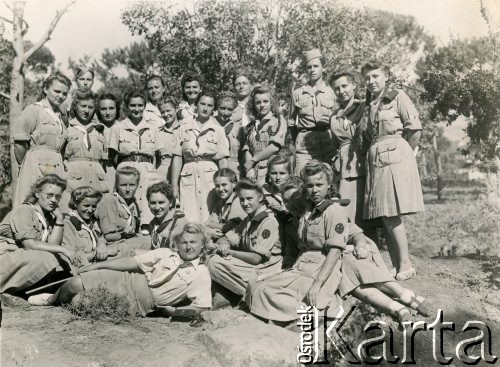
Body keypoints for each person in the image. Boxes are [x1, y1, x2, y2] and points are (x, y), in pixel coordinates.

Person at [247, 161, 432, 324]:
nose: (314, 190)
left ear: (327, 186)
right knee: (353, 284)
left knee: (353, 266)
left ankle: (406, 297)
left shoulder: (332, 210)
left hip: (336, 258)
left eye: (319, 185)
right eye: (310, 186)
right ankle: (398, 307)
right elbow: (294, 252)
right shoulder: (302, 217)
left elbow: (351, 234)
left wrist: (359, 245)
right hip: (315, 265)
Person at [28, 223, 213, 318]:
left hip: (139, 302)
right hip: (128, 279)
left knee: (79, 303)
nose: (188, 247)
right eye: (184, 242)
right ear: (178, 243)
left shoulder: (201, 273)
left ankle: (64, 301)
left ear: (203, 245)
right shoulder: (165, 253)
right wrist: (97, 265)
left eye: (194, 242)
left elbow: (201, 307)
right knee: (74, 284)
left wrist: (173, 312)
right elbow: (131, 262)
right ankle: (51, 300)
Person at [361, 60, 425, 280]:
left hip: (394, 158)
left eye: (375, 76)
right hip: (377, 161)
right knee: (384, 214)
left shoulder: (398, 97)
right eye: (367, 78)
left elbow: (414, 128)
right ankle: (397, 264)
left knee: (391, 213)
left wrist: (406, 153)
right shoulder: (370, 105)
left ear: (386, 76)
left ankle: (406, 262)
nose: (371, 81)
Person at [0, 175, 72, 306]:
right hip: (4, 259)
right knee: (48, 257)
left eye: (58, 197)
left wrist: (59, 221)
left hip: (18, 260)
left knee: (56, 259)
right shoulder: (25, 210)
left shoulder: (49, 217)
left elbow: (51, 247)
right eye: (49, 195)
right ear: (37, 193)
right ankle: (7, 292)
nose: (54, 200)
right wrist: (63, 249)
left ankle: (24, 291)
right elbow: (30, 244)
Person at [206, 178, 282, 300]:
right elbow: (226, 237)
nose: (245, 203)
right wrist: (224, 244)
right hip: (254, 268)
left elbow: (256, 258)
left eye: (249, 199)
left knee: (214, 263)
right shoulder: (248, 220)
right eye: (242, 199)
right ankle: (235, 295)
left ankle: (253, 295)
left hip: (267, 269)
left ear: (261, 197)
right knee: (212, 258)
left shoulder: (268, 221)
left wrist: (229, 252)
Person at [12, 72, 71, 208]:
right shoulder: (34, 110)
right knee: (33, 205)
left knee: (55, 210)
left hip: (56, 168)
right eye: (57, 91)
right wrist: (27, 165)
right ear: (45, 89)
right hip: (35, 168)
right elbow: (19, 143)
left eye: (64, 93)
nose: (60, 96)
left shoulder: (61, 117)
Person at [107, 88, 164, 227]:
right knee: (127, 202)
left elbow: (158, 157)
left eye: (140, 105)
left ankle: (147, 231)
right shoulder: (118, 128)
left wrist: (149, 169)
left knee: (147, 203)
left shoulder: (153, 128)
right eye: (133, 105)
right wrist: (124, 168)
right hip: (126, 170)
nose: (136, 109)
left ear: (144, 106)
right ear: (126, 106)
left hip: (148, 171)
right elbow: (112, 157)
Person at [171, 90, 229, 223]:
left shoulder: (218, 130)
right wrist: (174, 185)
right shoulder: (184, 127)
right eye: (202, 104)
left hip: (209, 174)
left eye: (210, 105)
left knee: (209, 214)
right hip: (188, 174)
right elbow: (177, 157)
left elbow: (222, 159)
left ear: (214, 109)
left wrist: (224, 183)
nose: (205, 108)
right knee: (188, 214)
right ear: (196, 105)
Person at [329, 71, 371, 232]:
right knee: (346, 208)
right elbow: (335, 143)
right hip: (343, 167)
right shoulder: (334, 117)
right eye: (337, 88)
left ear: (353, 85)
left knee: (363, 210)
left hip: (362, 161)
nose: (341, 91)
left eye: (344, 85)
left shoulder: (364, 107)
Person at [62, 187, 134, 271]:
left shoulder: (93, 221)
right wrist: (95, 254)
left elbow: (101, 237)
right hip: (82, 268)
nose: (90, 210)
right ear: (75, 204)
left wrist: (101, 244)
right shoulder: (68, 223)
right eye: (86, 206)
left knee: (125, 249)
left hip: (97, 263)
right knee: (125, 253)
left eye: (94, 206)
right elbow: (70, 258)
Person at [59, 90, 108, 212]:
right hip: (74, 182)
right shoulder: (66, 128)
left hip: (96, 181)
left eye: (91, 107)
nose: (87, 110)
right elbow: (59, 154)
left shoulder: (99, 130)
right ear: (75, 107)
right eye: (83, 106)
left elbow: (103, 160)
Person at [291, 49, 336, 174]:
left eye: (316, 66)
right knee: (301, 178)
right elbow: (291, 122)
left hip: (328, 143)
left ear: (323, 68)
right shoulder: (298, 93)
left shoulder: (332, 92)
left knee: (329, 178)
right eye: (309, 67)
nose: (312, 70)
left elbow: (338, 119)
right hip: (305, 145)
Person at [96, 166, 151, 250]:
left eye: (132, 185)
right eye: (123, 185)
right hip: (113, 246)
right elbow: (108, 236)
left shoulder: (134, 204)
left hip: (128, 244)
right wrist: (124, 234)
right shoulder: (109, 200)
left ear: (137, 185)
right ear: (117, 185)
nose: (128, 189)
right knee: (148, 241)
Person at [242, 85, 287, 185]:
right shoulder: (251, 125)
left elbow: (274, 147)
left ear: (272, 103)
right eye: (258, 102)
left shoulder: (278, 120)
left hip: (271, 172)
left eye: (265, 101)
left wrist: (252, 161)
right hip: (253, 173)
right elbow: (247, 149)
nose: (262, 105)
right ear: (253, 105)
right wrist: (249, 169)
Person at [206, 168, 246, 240]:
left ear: (234, 184)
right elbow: (212, 220)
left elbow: (229, 227)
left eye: (224, 185)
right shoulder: (220, 202)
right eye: (217, 186)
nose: (221, 189)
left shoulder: (238, 200)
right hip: (226, 237)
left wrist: (209, 224)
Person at [147, 182, 187, 250]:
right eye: (153, 203)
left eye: (161, 202)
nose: (157, 207)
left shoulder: (178, 222)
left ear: (171, 203)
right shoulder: (153, 223)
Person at [215, 91, 244, 178]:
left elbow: (242, 155)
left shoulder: (239, 128)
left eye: (230, 109)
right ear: (217, 107)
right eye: (222, 108)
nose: (226, 112)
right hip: (213, 171)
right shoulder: (209, 124)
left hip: (234, 173)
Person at [97, 93, 121, 191]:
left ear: (117, 109)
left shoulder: (123, 128)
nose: (107, 112)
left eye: (111, 108)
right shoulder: (94, 128)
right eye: (103, 109)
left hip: (116, 172)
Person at [156, 96, 180, 181]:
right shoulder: (158, 132)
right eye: (162, 112)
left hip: (181, 172)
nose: (165, 114)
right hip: (162, 173)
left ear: (176, 109)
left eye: (168, 111)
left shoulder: (185, 129)